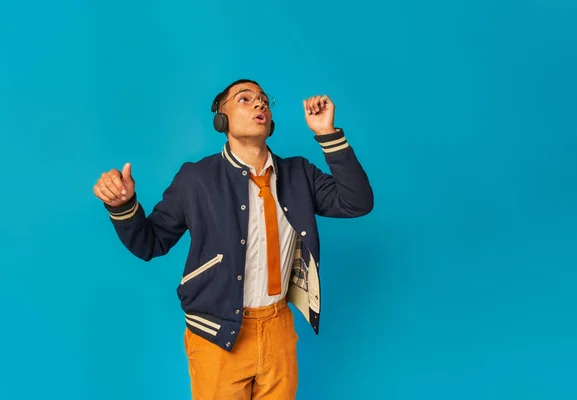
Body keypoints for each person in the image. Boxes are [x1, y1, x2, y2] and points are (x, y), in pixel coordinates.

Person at [93, 78, 374, 399]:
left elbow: (357, 202)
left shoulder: (299, 173)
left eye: (264, 100)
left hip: (279, 327)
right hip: (217, 332)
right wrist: (123, 206)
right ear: (221, 119)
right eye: (245, 98)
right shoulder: (195, 178)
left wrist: (327, 133)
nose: (259, 104)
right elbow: (150, 243)